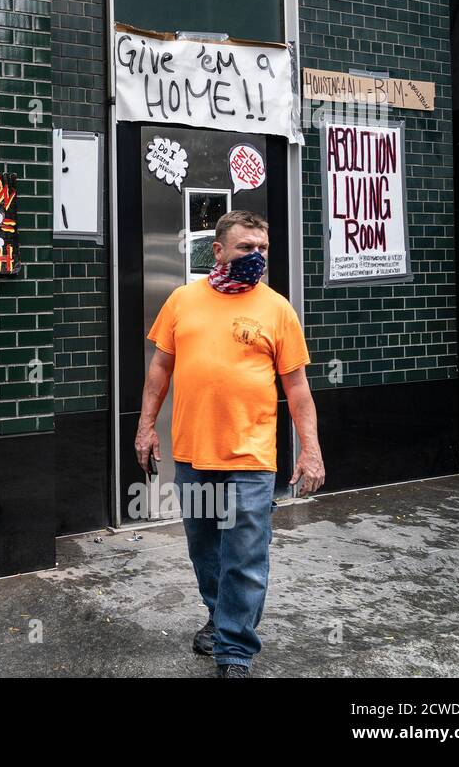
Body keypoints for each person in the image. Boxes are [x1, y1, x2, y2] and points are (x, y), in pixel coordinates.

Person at [137, 210, 325, 678]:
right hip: (193, 452)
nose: (255, 257)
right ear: (217, 250)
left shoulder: (277, 308)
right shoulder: (182, 300)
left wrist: (311, 450)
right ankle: (221, 617)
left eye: (262, 249)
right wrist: (144, 427)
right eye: (246, 248)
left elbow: (297, 388)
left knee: (244, 555)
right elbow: (159, 370)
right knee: (205, 549)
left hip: (251, 455)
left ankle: (235, 651)